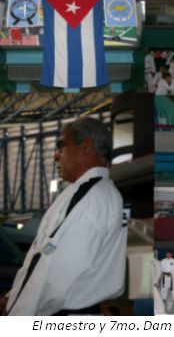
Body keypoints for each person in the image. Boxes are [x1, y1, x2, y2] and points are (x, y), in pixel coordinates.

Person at [2, 118, 126, 316]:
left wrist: (15, 312)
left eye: (61, 146)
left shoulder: (89, 197)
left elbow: (52, 269)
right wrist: (13, 296)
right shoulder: (95, 192)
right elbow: (46, 255)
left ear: (85, 146)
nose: (55, 155)